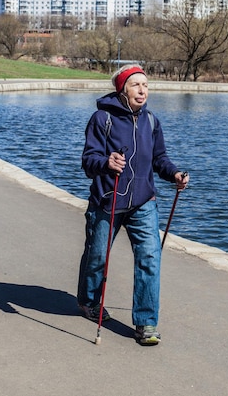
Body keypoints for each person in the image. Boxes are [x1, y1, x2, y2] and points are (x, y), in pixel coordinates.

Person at [77, 64, 189, 345]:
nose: (143, 90)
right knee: (97, 258)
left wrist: (174, 173)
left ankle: (146, 323)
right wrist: (106, 162)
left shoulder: (151, 121)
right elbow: (88, 161)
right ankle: (89, 302)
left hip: (142, 201)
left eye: (146, 85)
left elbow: (159, 159)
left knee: (150, 258)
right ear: (123, 90)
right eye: (136, 85)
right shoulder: (102, 119)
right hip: (107, 200)